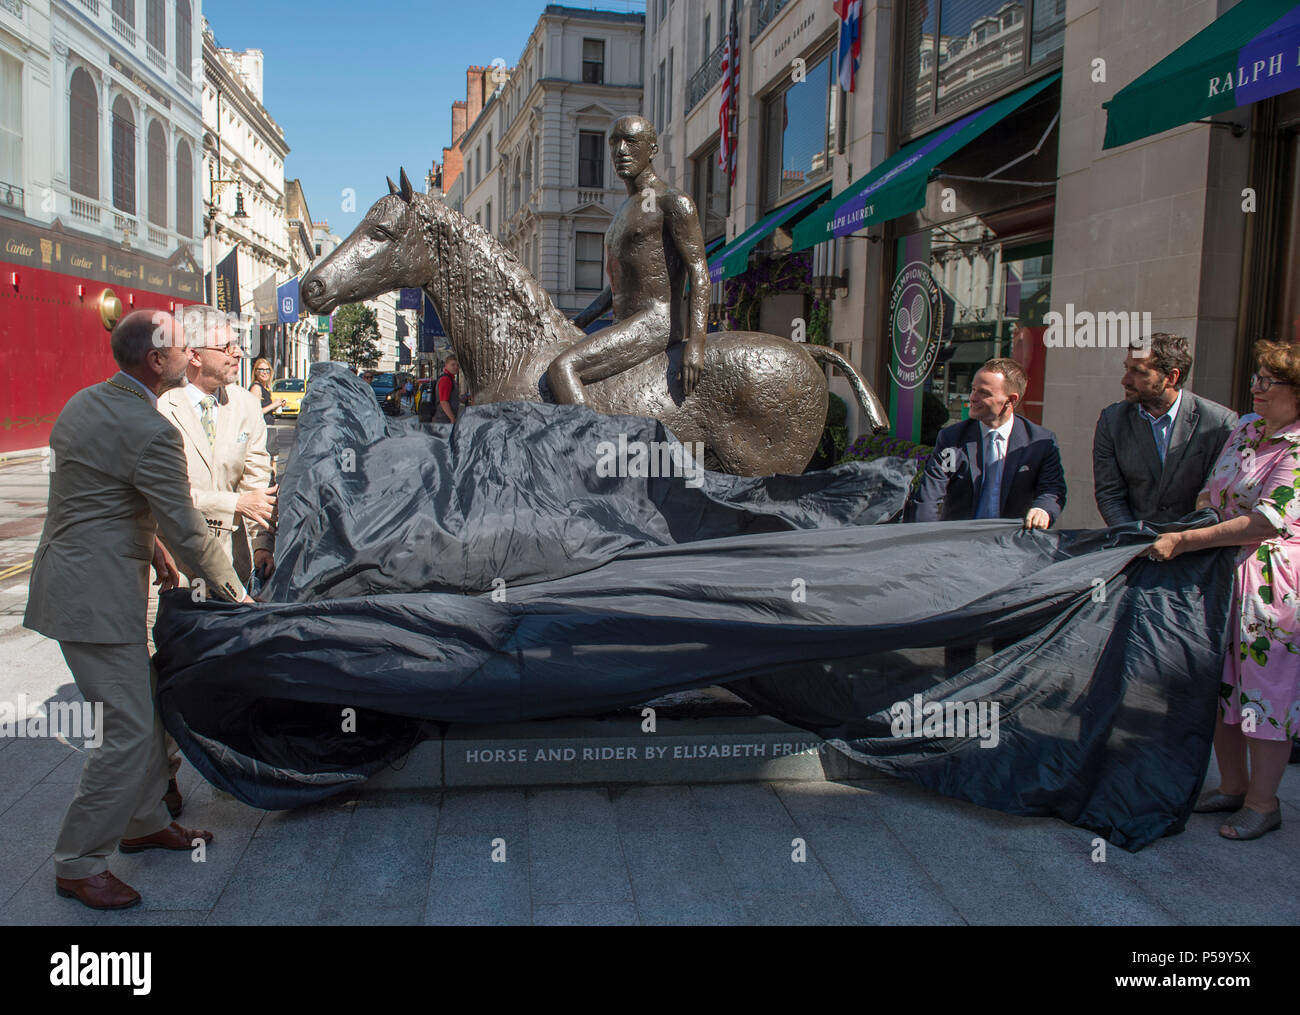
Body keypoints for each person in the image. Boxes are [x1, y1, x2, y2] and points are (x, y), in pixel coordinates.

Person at [23, 309, 252, 911]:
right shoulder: (151, 430)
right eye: (182, 347)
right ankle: (79, 861)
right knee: (125, 729)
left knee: (146, 709)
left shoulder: (84, 404)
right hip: (92, 601)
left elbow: (94, 492)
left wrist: (147, 547)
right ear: (158, 361)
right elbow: (188, 529)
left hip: (78, 583)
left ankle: (144, 821)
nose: (191, 352)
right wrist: (237, 594)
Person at [1150, 341, 1300, 840]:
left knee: (1265, 692)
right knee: (1219, 686)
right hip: (1218, 573)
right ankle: (1233, 786)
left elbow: (1263, 521)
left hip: (1269, 588)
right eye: (1255, 378)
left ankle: (1263, 802)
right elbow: (1212, 494)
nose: (1254, 388)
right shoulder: (1246, 428)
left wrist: (1187, 539)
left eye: (1266, 381)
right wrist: (1204, 529)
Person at [548, 115, 709, 403]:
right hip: (625, 323)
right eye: (614, 143)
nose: (621, 150)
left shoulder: (672, 202)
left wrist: (696, 343)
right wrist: (576, 321)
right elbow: (616, 289)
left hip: (654, 322)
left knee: (563, 367)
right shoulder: (623, 210)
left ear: (652, 150)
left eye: (631, 141)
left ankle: (587, 444)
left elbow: (698, 272)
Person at [1093, 333, 1237, 526]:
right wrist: (1135, 540)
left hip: (1196, 546)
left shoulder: (1219, 424)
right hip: (1135, 543)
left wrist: (1181, 543)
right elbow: (1109, 495)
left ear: (1171, 377)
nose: (1125, 380)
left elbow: (1219, 498)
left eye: (1139, 372)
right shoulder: (1112, 421)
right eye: (1127, 369)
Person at [910, 358, 1067, 527]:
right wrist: (923, 537)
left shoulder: (1039, 443)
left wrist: (1042, 510)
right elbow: (928, 495)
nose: (972, 397)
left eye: (984, 393)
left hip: (1011, 542)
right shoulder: (952, 438)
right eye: (973, 389)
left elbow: (1052, 490)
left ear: (1011, 400)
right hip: (958, 543)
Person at [426, 355, 459, 424]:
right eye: (453, 365)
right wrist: (452, 418)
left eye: (457, 365)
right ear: (446, 366)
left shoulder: (450, 379)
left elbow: (451, 398)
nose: (456, 367)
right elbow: (443, 401)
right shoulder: (446, 380)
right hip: (443, 420)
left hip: (444, 418)